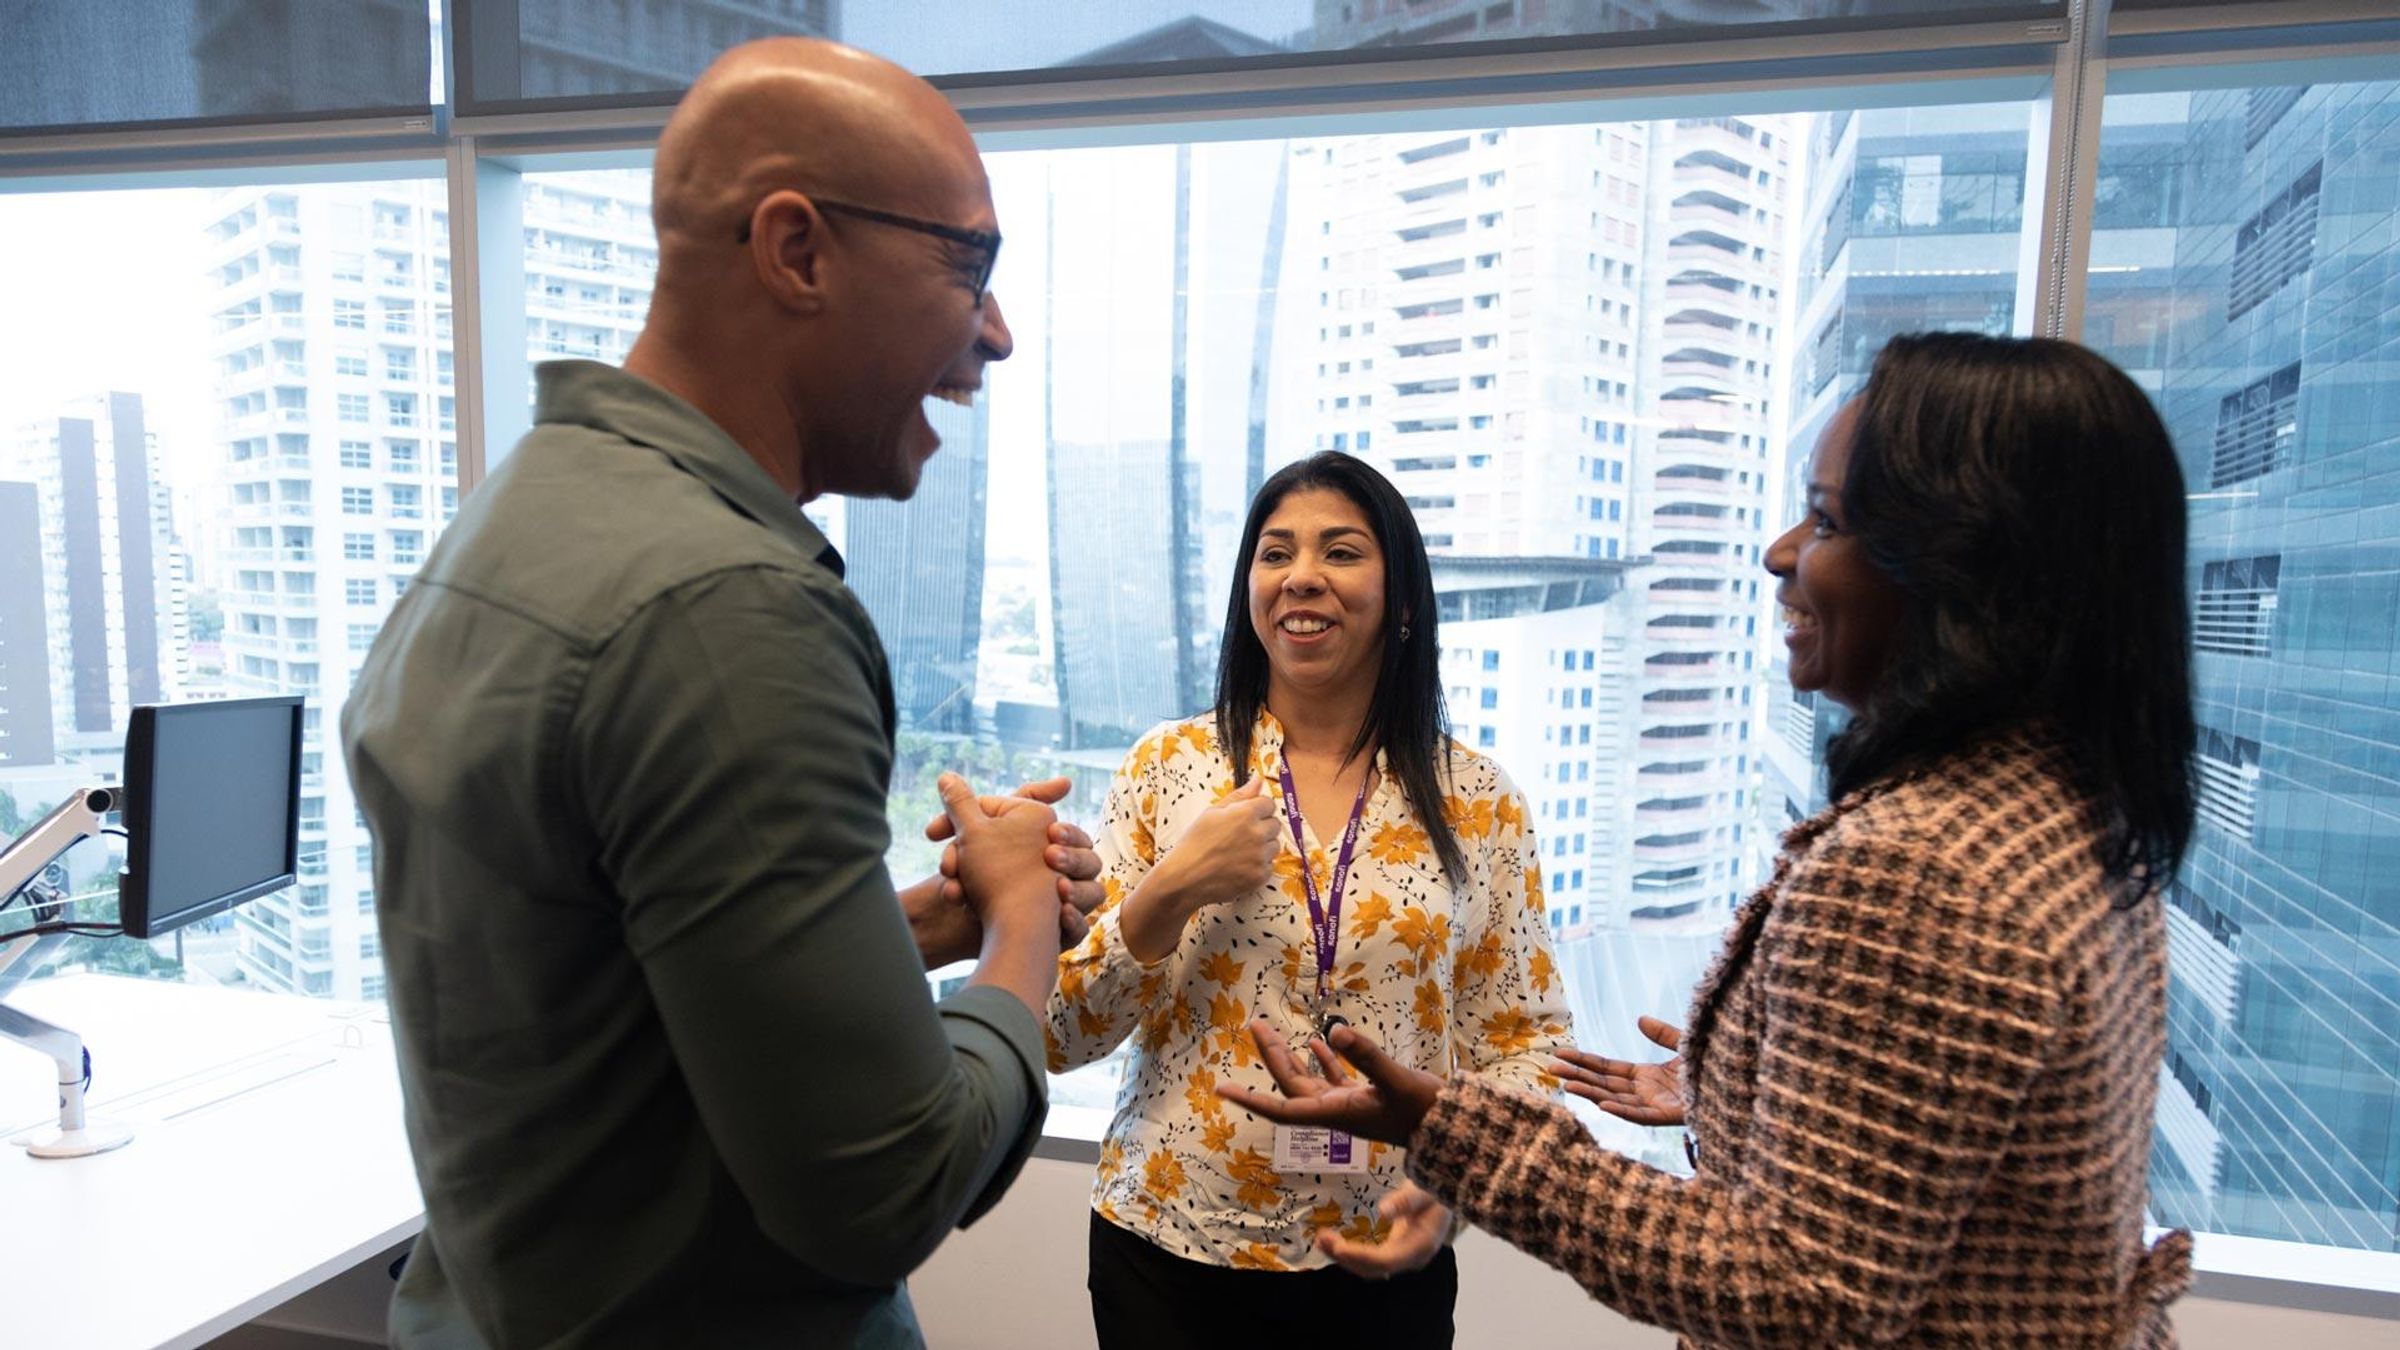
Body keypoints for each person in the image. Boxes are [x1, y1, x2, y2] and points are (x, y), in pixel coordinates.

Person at [342, 38, 1103, 1349]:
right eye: (967, 268)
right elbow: (889, 1185)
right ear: (798, 251)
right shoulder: (729, 611)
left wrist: (907, 927)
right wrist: (1020, 931)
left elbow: (602, 984)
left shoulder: (522, 520)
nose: (997, 332)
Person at [1222, 333, 2200, 1349]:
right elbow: (1946, 1161)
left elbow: (1805, 1292)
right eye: (1277, 552)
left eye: (1824, 519)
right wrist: (1746, 1080)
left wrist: (1451, 1135)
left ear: (1967, 563)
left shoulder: (1915, 869)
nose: (1781, 552)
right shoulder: (2069, 808)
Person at [1045, 451, 1573, 1349]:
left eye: (1341, 552)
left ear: (1402, 599)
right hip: (1170, 1245)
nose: (1302, 577)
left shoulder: (1477, 800)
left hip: (1385, 1254)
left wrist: (1452, 1193)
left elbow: (1524, 1044)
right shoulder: (1169, 770)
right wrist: (1173, 887)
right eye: (1276, 552)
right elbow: (1062, 1034)